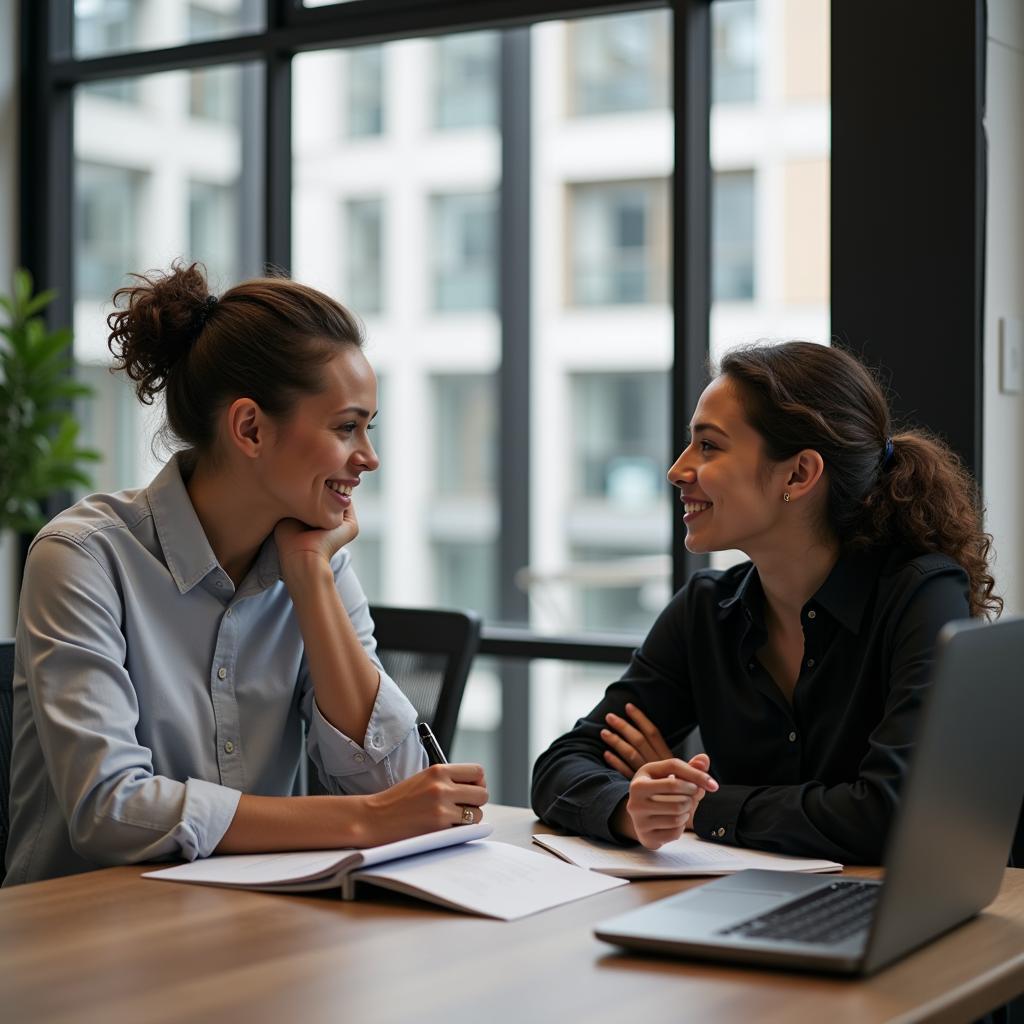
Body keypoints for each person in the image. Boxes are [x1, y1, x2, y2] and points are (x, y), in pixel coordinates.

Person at [4, 262, 487, 886]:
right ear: (251, 428)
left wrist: (311, 577)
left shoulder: (317, 560)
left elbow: (397, 785)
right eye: (347, 427)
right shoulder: (84, 557)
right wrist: (365, 820)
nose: (369, 457)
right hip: (82, 945)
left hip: (251, 927)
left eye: (369, 427)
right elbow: (112, 810)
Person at [531, 341, 1000, 865]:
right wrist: (631, 807)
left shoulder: (921, 595)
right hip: (749, 905)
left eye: (709, 447)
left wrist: (701, 808)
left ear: (798, 475)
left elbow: (891, 815)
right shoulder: (705, 611)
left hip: (899, 923)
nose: (677, 471)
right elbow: (561, 766)